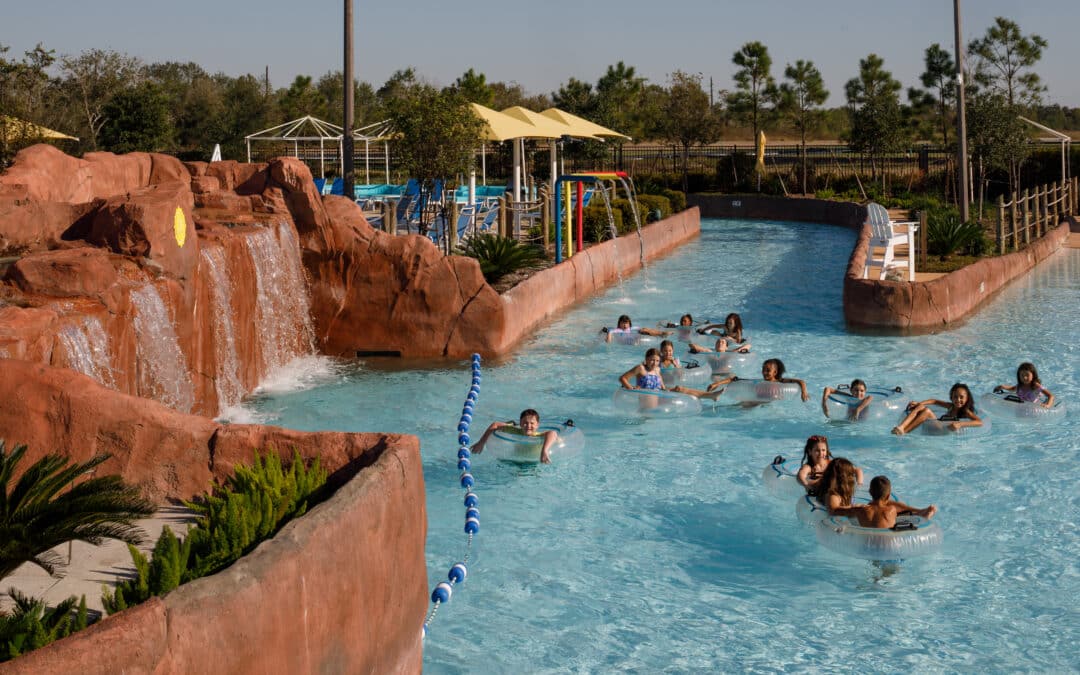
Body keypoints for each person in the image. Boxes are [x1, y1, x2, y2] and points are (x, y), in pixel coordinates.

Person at [674, 358, 808, 402]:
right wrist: (716, 383)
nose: (764, 372)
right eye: (763, 369)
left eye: (768, 370)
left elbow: (800, 381)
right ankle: (685, 391)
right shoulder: (758, 382)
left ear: (775, 372)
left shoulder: (780, 382)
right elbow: (735, 379)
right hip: (755, 402)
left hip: (761, 403)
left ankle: (685, 391)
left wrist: (803, 393)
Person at [832, 476, 937, 528]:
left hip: (868, 543)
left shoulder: (860, 510)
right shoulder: (892, 510)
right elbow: (902, 513)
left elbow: (836, 511)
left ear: (870, 492)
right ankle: (924, 515)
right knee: (904, 520)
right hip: (889, 543)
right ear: (888, 495)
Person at [471, 409, 559, 464]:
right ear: (520, 424)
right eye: (525, 423)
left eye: (532, 423)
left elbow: (553, 433)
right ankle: (511, 423)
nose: (528, 426)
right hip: (515, 459)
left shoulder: (537, 436)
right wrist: (481, 442)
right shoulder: (516, 431)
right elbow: (495, 425)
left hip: (533, 461)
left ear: (537, 425)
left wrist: (544, 451)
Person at [892, 382, 982, 435]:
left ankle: (905, 432)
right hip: (938, 426)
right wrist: (919, 403)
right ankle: (901, 427)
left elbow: (979, 422)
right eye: (955, 397)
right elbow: (934, 401)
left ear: (967, 398)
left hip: (943, 431)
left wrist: (960, 424)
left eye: (961, 397)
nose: (958, 400)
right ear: (951, 397)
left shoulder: (965, 411)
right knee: (921, 407)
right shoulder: (951, 406)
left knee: (927, 411)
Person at [796, 435, 863, 492]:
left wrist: (859, 484)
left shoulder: (832, 464)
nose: (821, 453)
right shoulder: (809, 467)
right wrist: (806, 485)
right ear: (810, 452)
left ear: (826, 451)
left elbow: (857, 470)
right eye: (817, 450)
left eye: (823, 450)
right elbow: (800, 476)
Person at [603, 314, 670, 343]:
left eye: (626, 323)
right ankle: (661, 334)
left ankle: (661, 334)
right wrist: (609, 336)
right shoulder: (617, 330)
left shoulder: (632, 328)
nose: (625, 325)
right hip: (629, 342)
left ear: (629, 324)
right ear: (619, 324)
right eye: (623, 323)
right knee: (642, 331)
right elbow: (610, 335)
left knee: (644, 329)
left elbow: (644, 329)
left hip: (635, 339)